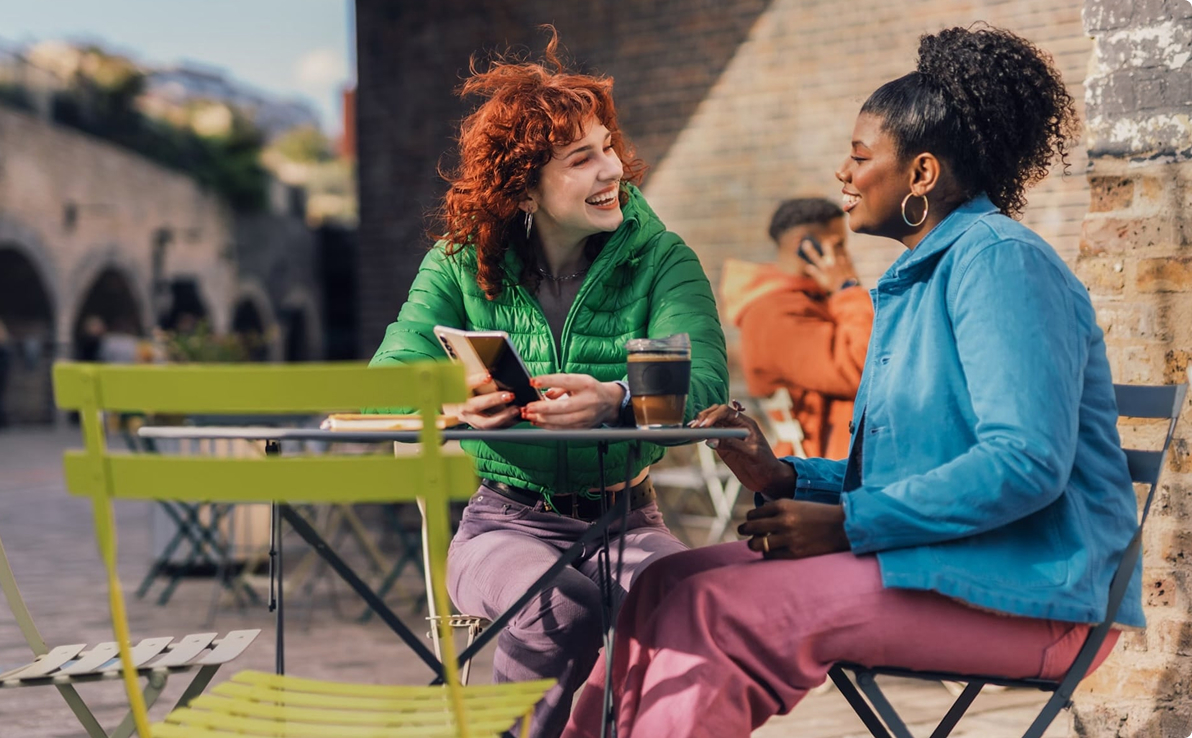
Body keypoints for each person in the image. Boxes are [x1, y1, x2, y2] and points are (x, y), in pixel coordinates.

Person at [564, 25, 1137, 737]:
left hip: (1035, 596)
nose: (842, 172)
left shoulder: (1000, 263)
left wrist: (850, 526)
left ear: (922, 175)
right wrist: (783, 477)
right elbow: (913, 471)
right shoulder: (923, 276)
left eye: (861, 156)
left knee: (720, 609)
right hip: (952, 567)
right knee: (662, 584)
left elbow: (1025, 464)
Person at [368, 29, 728, 738]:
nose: (613, 170)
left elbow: (706, 379)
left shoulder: (662, 259)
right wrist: (455, 396)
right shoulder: (460, 262)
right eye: (582, 158)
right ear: (525, 186)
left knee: (699, 608)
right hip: (501, 521)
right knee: (553, 604)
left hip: (628, 519)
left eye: (609, 148)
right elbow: (389, 379)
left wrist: (620, 402)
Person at [723, 198, 872, 458]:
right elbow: (864, 369)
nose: (845, 258)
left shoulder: (810, 299)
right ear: (802, 244)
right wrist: (847, 290)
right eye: (838, 246)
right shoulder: (774, 313)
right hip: (822, 465)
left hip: (849, 449)